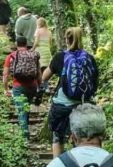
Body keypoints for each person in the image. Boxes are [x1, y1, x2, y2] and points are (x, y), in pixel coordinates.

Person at [41, 27, 98, 158]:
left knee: (57, 136)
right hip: (83, 104)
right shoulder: (89, 58)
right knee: (81, 137)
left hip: (61, 105)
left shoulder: (60, 57)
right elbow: (95, 81)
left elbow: (44, 77)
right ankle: (80, 165)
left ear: (66, 39)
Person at [2, 36, 41, 140]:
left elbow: (5, 75)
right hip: (32, 86)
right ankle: (25, 131)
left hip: (18, 87)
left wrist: (6, 89)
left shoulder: (11, 56)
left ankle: (24, 136)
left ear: (16, 44)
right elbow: (39, 73)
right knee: (26, 108)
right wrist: (39, 86)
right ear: (26, 44)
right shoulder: (33, 55)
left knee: (21, 110)